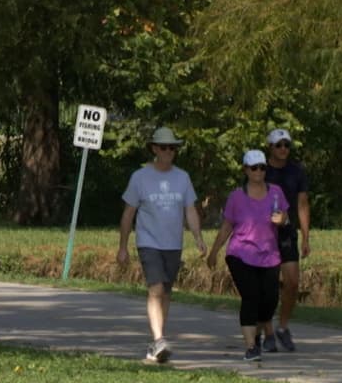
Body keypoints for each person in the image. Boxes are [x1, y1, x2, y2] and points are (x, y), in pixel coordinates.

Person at [117, 126, 207, 363]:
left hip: (173, 244)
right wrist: (123, 246)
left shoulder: (182, 177)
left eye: (173, 148)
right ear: (155, 149)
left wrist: (197, 237)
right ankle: (159, 340)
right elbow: (128, 214)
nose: (169, 151)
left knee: (165, 292)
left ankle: (157, 342)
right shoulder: (140, 177)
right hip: (149, 242)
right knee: (155, 289)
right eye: (164, 147)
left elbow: (190, 209)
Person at [207, 150, 288, 362]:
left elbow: (285, 217)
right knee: (251, 296)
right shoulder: (236, 197)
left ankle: (260, 331)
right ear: (245, 170)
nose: (259, 172)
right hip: (240, 253)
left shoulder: (276, 192)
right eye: (254, 168)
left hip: (269, 255)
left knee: (269, 300)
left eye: (262, 167)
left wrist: (283, 220)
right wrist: (214, 251)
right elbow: (226, 227)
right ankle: (251, 347)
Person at [261, 128, 311, 353]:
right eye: (279, 145)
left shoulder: (297, 171)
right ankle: (267, 332)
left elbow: (302, 204)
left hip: (287, 232)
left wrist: (306, 237)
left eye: (286, 145)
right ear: (270, 147)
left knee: (291, 282)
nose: (283, 149)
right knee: (266, 286)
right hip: (263, 234)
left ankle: (282, 327)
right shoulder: (260, 169)